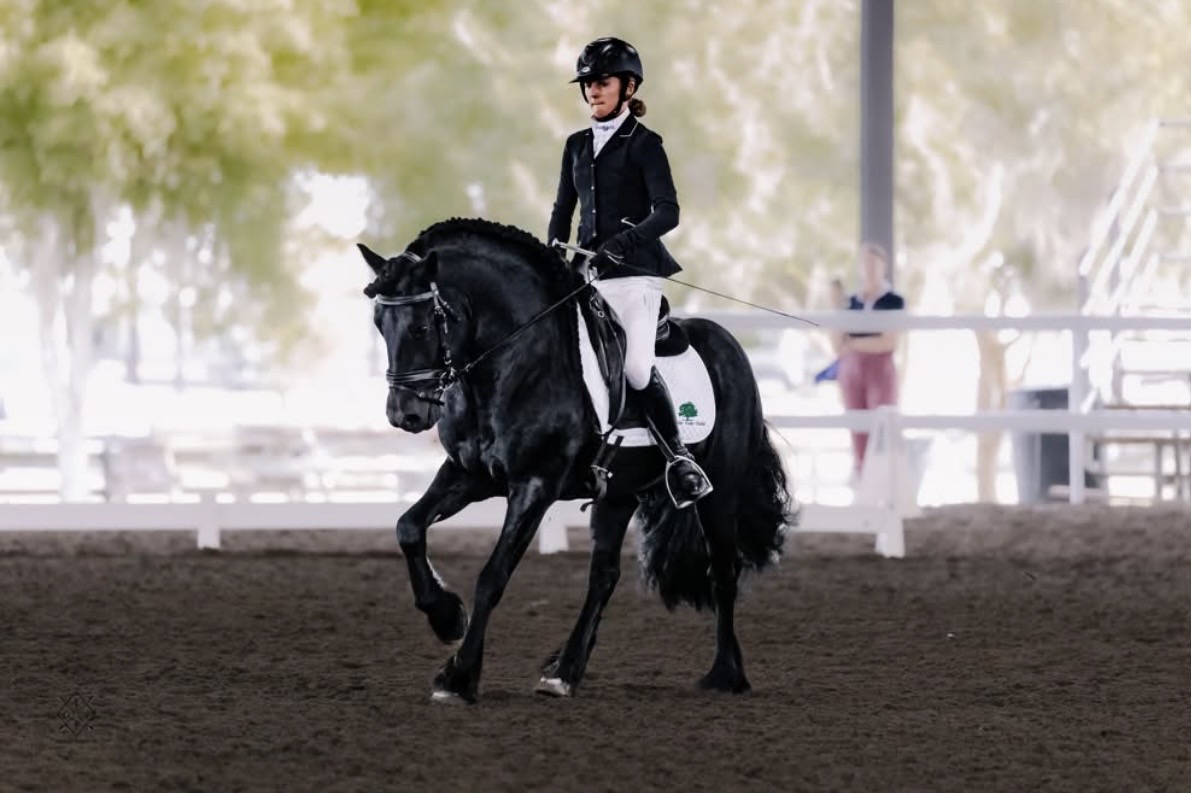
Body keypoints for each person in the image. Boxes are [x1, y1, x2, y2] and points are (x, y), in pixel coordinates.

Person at [547, 36, 711, 508]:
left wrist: (622, 244)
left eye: (603, 82)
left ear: (628, 86)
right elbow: (562, 210)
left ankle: (679, 458)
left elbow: (668, 212)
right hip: (587, 277)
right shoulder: (576, 145)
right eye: (588, 84)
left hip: (636, 276)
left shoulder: (644, 144)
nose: (593, 90)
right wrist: (553, 253)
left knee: (636, 366)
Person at [832, 242, 905, 478]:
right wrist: (836, 309)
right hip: (851, 370)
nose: (869, 268)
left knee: (882, 426)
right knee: (857, 428)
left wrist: (853, 344)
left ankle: (884, 481)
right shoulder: (851, 302)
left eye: (873, 262)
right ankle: (862, 479)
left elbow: (889, 342)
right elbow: (838, 345)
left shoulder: (893, 300)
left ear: (884, 266)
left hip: (880, 369)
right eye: (864, 263)